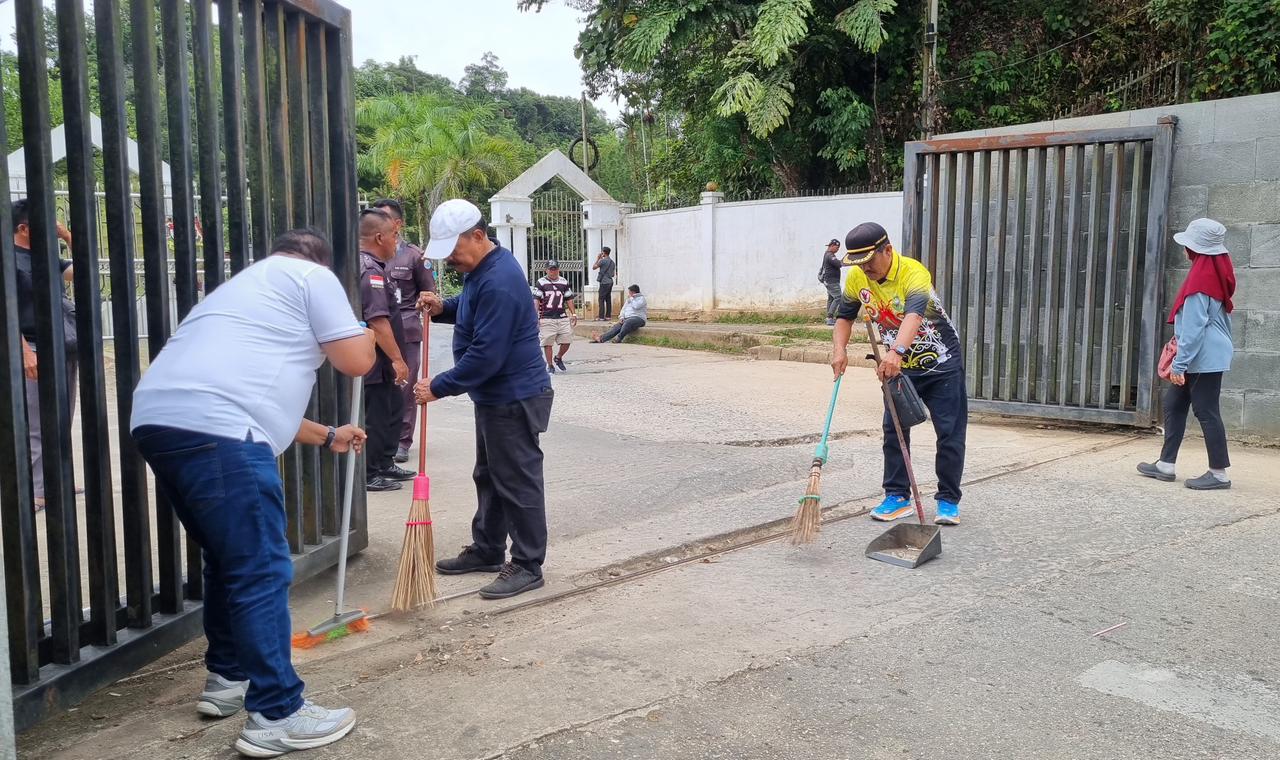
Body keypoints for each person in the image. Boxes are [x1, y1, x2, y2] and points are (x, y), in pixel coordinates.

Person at [130, 228, 372, 757]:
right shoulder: (312, 277)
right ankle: (278, 712)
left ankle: (229, 678)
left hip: (160, 423)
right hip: (220, 429)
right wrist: (366, 329)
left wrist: (328, 435)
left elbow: (245, 393)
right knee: (260, 567)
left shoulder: (242, 290)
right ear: (322, 263)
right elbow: (357, 361)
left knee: (229, 558)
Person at [414, 199, 553, 600]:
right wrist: (443, 307)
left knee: (517, 481)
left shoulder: (499, 280)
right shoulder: (482, 270)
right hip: (495, 397)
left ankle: (527, 564)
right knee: (490, 475)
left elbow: (486, 356)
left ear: (477, 236)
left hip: (514, 396)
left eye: (454, 250)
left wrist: (438, 386)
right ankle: (489, 548)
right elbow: (471, 306)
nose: (450, 260)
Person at [831, 222, 967, 526]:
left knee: (949, 433)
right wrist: (839, 350)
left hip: (941, 363)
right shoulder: (858, 278)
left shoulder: (913, 273)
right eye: (859, 263)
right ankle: (897, 496)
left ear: (888, 251)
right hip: (899, 368)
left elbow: (914, 316)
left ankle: (948, 500)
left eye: (869, 261)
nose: (865, 268)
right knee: (894, 430)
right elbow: (844, 317)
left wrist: (896, 352)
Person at [1138, 218, 1236, 490]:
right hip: (1205, 355)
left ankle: (1219, 474)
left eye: (1188, 245)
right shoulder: (1215, 276)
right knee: (1174, 404)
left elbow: (1192, 331)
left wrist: (1179, 365)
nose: (1184, 249)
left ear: (1196, 249)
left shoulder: (1199, 283)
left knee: (1206, 411)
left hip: (1202, 357)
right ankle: (1166, 464)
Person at [12, 199, 79, 511]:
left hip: (62, 344)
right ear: (24, 229)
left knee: (62, 418)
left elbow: (81, 271)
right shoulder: (9, 259)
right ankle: (39, 490)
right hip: (34, 347)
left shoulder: (46, 256)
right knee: (37, 424)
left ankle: (59, 480)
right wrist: (24, 352)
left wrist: (67, 235)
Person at [370, 198, 438, 464]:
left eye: (384, 217)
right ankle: (378, 442)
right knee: (377, 388)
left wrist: (427, 302)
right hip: (374, 330)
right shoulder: (366, 254)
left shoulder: (414, 256)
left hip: (406, 330)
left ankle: (401, 441)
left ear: (397, 224)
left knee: (404, 387)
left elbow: (428, 292)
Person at [358, 208, 413, 492]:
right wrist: (397, 359)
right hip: (376, 362)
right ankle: (369, 473)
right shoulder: (370, 271)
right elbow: (378, 322)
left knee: (391, 410)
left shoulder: (376, 267)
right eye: (394, 235)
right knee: (376, 418)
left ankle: (383, 463)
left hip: (381, 364)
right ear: (380, 237)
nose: (397, 241)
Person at [534, 260, 577, 374]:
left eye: (555, 269)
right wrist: (535, 316)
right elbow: (536, 300)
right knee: (548, 342)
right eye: (550, 269)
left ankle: (558, 357)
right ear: (546, 270)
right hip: (546, 316)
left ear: (558, 270)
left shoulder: (563, 282)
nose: (553, 272)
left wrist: (573, 314)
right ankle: (550, 365)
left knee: (567, 339)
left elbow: (569, 298)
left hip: (561, 316)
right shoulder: (541, 282)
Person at [818, 237, 847, 326]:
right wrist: (846, 259)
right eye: (837, 247)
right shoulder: (830, 255)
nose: (838, 249)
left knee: (831, 298)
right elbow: (838, 264)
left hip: (828, 281)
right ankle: (830, 318)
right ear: (832, 246)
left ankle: (829, 318)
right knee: (838, 297)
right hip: (832, 281)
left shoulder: (827, 254)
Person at [592, 246, 616, 321]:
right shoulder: (612, 262)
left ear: (604, 253)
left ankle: (601, 317)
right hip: (610, 282)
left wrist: (598, 258)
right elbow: (613, 274)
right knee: (608, 299)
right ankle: (608, 316)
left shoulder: (602, 261)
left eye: (602, 252)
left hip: (604, 282)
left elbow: (594, 267)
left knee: (601, 299)